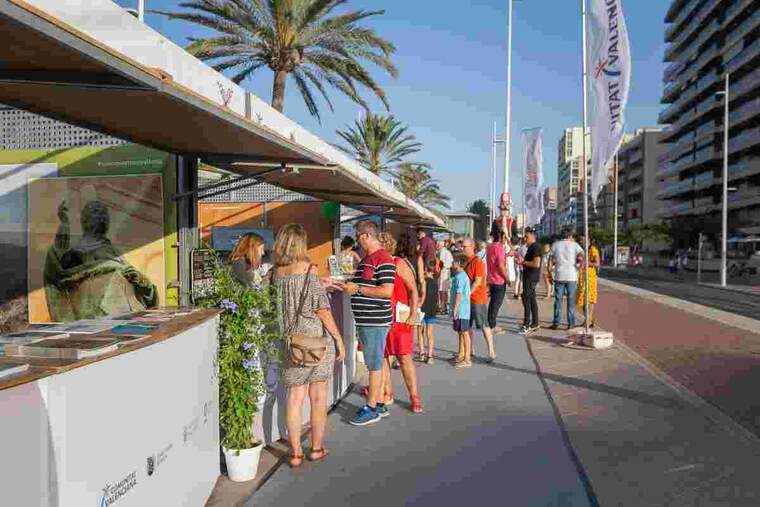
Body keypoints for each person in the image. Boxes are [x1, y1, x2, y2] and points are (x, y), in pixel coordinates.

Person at [271, 224, 346, 468]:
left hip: (290, 343)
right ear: (301, 244)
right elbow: (322, 310)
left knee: (294, 398)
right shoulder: (309, 270)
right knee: (318, 396)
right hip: (316, 342)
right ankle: (315, 448)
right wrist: (338, 338)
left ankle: (295, 454)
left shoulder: (274, 274)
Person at [44, 199, 157, 321]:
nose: (101, 216)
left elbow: (149, 298)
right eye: (95, 213)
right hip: (96, 320)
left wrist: (143, 282)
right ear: (84, 221)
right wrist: (64, 226)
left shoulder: (114, 252)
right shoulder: (76, 254)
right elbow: (58, 268)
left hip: (125, 321)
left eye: (103, 214)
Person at [342, 220, 396, 426]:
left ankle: (371, 407)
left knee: (373, 365)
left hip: (374, 320)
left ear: (366, 235)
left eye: (358, 237)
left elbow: (386, 291)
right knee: (376, 362)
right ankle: (379, 403)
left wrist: (357, 289)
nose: (357, 242)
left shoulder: (383, 259)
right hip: (369, 320)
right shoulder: (369, 259)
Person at [377, 233, 423, 414]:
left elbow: (413, 289)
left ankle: (414, 396)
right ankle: (387, 392)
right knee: (383, 356)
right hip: (381, 318)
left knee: (404, 357)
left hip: (400, 318)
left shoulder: (398, 263)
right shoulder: (376, 265)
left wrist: (413, 313)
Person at [462, 238, 496, 362]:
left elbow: (477, 282)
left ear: (472, 247)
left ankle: (491, 352)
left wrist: (467, 294)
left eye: (465, 247)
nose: (462, 249)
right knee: (468, 326)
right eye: (462, 246)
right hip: (468, 299)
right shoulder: (467, 261)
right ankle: (470, 350)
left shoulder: (478, 262)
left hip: (477, 299)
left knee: (483, 325)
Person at [548, 227, 584, 330]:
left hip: (559, 275)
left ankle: (556, 322)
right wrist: (579, 267)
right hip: (572, 275)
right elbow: (582, 256)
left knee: (558, 300)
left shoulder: (555, 245)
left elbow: (550, 260)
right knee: (571, 301)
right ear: (570, 235)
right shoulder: (575, 245)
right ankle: (571, 323)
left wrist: (549, 273)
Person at [518, 227, 542, 334]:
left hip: (531, 278)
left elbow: (536, 264)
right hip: (529, 277)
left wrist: (523, 262)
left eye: (526, 237)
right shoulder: (532, 247)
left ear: (533, 236)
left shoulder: (535, 247)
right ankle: (535, 323)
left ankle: (526, 324)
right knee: (531, 300)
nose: (525, 238)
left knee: (527, 300)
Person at [450, 254, 472, 368]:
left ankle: (467, 358)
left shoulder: (460, 277)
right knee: (460, 332)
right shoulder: (460, 275)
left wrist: (455, 309)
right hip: (462, 309)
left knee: (464, 332)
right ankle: (461, 353)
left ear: (458, 263)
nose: (452, 262)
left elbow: (459, 294)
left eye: (454, 261)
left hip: (462, 309)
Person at [486, 228, 509, 335]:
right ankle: (492, 326)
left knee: (493, 303)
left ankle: (491, 323)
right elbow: (500, 265)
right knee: (496, 304)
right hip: (499, 280)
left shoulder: (490, 247)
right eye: (504, 237)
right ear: (500, 237)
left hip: (492, 278)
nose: (505, 239)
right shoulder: (499, 248)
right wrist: (507, 278)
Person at [576, 236, 600, 328]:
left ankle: (588, 320)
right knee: (583, 299)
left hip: (590, 277)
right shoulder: (582, 250)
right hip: (582, 276)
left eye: (583, 240)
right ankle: (589, 319)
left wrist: (587, 263)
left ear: (589, 241)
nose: (581, 242)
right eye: (581, 240)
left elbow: (597, 264)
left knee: (589, 299)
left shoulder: (593, 250)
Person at [420, 258, 439, 364]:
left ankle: (422, 353)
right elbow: (437, 297)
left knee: (420, 331)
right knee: (430, 332)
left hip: (422, 308)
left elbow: (421, 294)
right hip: (431, 309)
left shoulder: (423, 281)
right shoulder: (435, 282)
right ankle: (430, 355)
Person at [437, 240, 454, 313]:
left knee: (443, 290)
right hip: (442, 272)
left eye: (438, 244)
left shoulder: (445, 252)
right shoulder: (440, 252)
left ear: (442, 245)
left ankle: (443, 307)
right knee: (441, 290)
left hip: (444, 271)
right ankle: (441, 306)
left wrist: (442, 266)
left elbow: (446, 263)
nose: (437, 246)